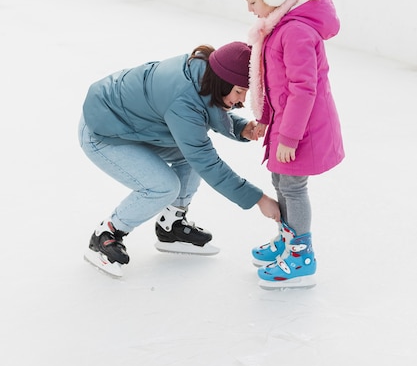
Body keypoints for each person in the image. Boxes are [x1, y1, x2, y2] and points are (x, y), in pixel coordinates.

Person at [79, 41, 280, 277]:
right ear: (222, 81)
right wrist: (259, 199)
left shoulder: (206, 73)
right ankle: (107, 233)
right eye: (238, 92)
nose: (241, 101)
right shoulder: (183, 100)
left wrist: (241, 127)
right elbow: (205, 158)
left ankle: (170, 226)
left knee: (189, 156)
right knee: (163, 186)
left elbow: (205, 109)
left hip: (136, 125)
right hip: (103, 131)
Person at [239, 0, 345, 289]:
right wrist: (269, 123)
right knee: (281, 181)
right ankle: (289, 240)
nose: (250, 10)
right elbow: (274, 86)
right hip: (288, 125)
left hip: (302, 130)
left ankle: (301, 255)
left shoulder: (295, 31)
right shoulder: (280, 27)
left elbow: (303, 89)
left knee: (293, 187)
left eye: (252, 2)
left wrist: (288, 137)